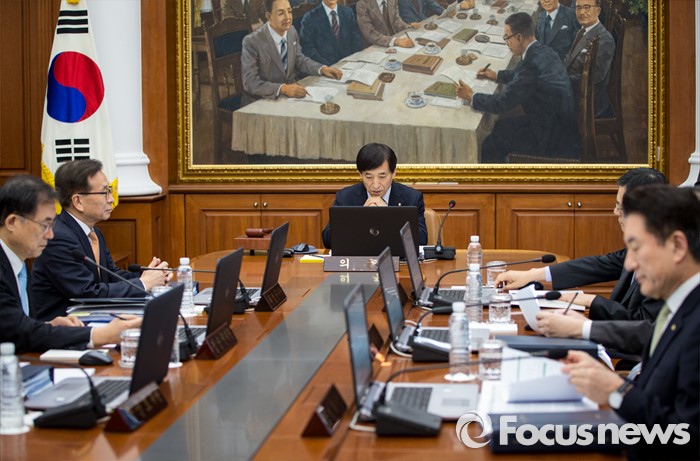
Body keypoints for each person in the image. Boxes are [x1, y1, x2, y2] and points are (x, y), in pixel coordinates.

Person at [562, 184, 700, 460]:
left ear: (677, 246)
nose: (629, 264)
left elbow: (687, 438)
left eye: (636, 248)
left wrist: (615, 390)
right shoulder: (678, 307)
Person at [496, 168, 666, 354]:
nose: (615, 212)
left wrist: (586, 303)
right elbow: (598, 265)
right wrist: (533, 275)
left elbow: (641, 326)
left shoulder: (663, 261)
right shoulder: (639, 247)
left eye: (620, 207)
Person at [0, 175, 141, 353]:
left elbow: (16, 327)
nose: (50, 235)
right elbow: (20, 333)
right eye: (45, 225)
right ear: (12, 222)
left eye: (52, 225)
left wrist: (47, 325)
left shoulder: (17, 263)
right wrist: (102, 335)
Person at [32, 159, 171, 321]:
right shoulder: (57, 237)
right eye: (104, 192)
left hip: (92, 318)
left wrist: (149, 275)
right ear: (78, 201)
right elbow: (86, 292)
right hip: (62, 327)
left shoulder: (93, 232)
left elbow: (111, 275)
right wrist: (143, 283)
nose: (111, 199)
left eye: (110, 191)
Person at [455, 12, 577, 163]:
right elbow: (523, 77)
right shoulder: (543, 50)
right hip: (558, 123)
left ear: (519, 37)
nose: (506, 42)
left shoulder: (530, 64)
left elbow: (501, 103)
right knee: (498, 127)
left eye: (507, 37)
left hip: (548, 135)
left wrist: (471, 96)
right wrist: (496, 75)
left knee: (488, 144)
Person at [321, 143, 427, 249]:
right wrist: (361, 217)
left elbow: (421, 239)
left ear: (394, 173)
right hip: (359, 258)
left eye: (382, 176)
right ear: (360, 174)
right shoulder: (345, 197)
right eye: (369, 177)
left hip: (397, 258)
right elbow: (328, 239)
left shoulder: (412, 198)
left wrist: (389, 214)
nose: (375, 185)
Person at [241, 0, 343, 106]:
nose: (287, 17)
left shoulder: (291, 31)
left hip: (289, 97)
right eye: (281, 13)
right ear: (269, 16)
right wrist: (283, 88)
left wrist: (322, 69)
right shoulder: (252, 42)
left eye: (289, 11)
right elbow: (249, 82)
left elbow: (300, 60)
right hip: (261, 101)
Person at [564, 0, 615, 117]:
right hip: (573, 89)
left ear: (598, 10)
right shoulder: (582, 31)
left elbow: (595, 77)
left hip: (588, 100)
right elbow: (569, 58)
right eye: (578, 8)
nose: (582, 12)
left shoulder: (605, 39)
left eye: (587, 7)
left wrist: (563, 81)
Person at [299, 0, 363, 66]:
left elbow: (356, 40)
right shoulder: (309, 18)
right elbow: (308, 49)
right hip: (326, 66)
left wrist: (353, 60)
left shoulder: (348, 12)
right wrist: (327, 67)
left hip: (350, 63)